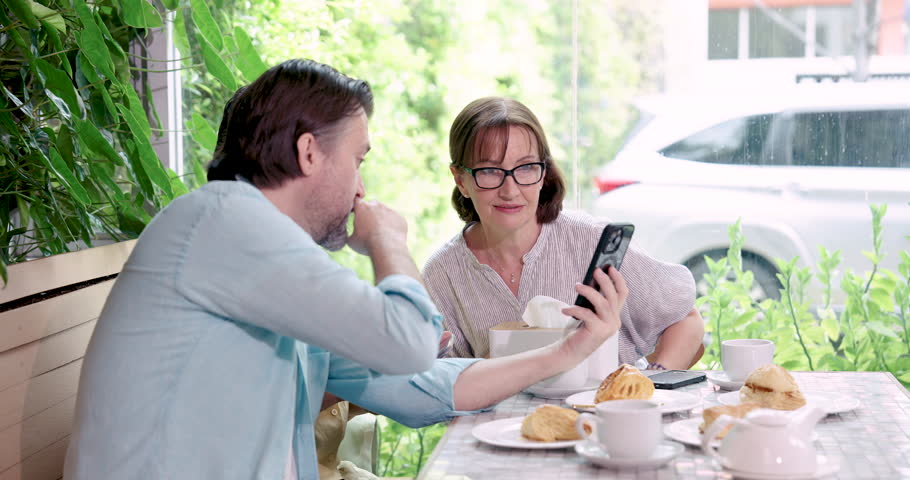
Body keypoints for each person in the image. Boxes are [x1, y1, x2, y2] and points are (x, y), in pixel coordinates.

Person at [64, 60, 625, 480]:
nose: (362, 187)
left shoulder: (265, 267)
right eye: (358, 159)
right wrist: (386, 240)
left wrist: (568, 351)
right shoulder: (224, 222)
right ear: (309, 153)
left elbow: (418, 386)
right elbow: (409, 343)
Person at [423, 96, 705, 369]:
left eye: (526, 167)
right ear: (461, 180)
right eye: (490, 171)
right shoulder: (442, 274)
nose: (510, 190)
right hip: (504, 419)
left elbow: (686, 319)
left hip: (604, 414)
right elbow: (442, 386)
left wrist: (650, 386)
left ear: (543, 172)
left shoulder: (590, 241)